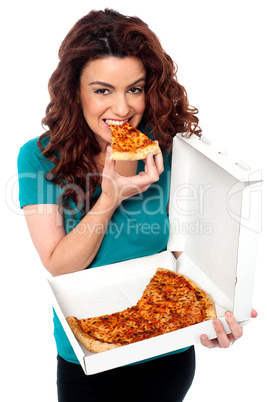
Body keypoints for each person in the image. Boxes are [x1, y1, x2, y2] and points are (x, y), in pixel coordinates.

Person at [17, 9, 257, 402]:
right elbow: (59, 263)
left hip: (168, 346)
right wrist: (108, 198)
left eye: (135, 88)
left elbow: (185, 257)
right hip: (87, 354)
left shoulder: (171, 151)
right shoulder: (38, 158)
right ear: (74, 90)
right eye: (102, 90)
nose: (123, 109)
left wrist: (214, 314)